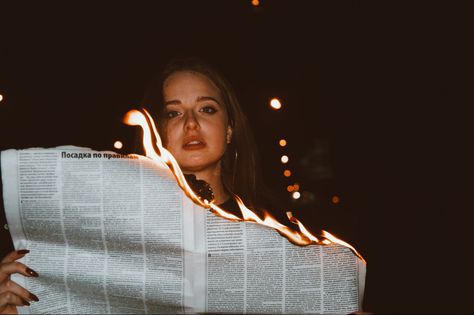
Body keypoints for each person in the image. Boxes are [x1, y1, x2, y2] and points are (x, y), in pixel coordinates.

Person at [0, 57, 286, 313]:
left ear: (229, 130)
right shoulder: (115, 227)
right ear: (158, 131)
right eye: (173, 113)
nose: (190, 124)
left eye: (207, 109)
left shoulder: (274, 229)